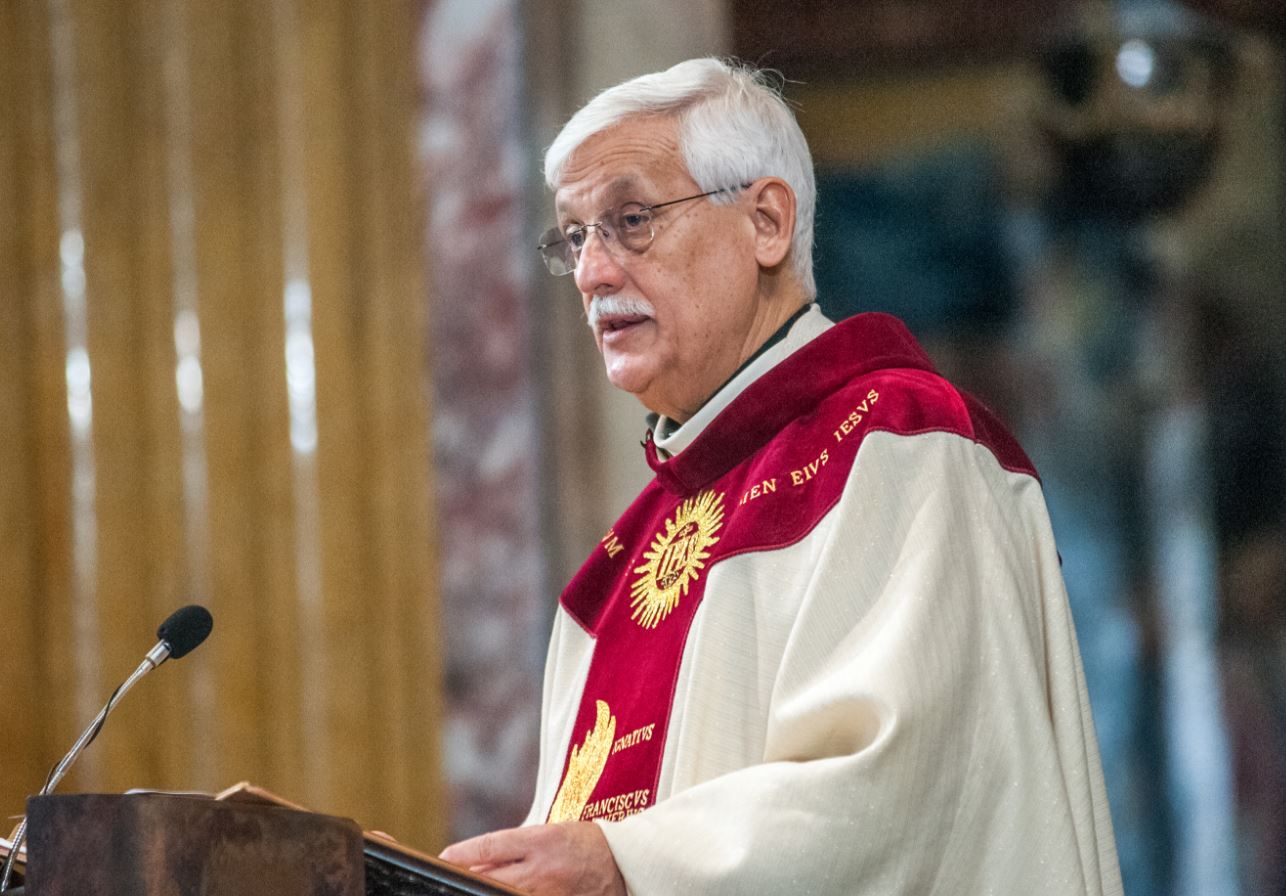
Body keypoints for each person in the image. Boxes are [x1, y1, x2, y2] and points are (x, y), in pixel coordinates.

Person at [440, 57, 1124, 896]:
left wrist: (630, 864)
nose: (591, 273)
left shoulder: (899, 443)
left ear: (766, 222)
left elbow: (911, 794)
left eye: (631, 220)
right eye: (576, 237)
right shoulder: (612, 574)